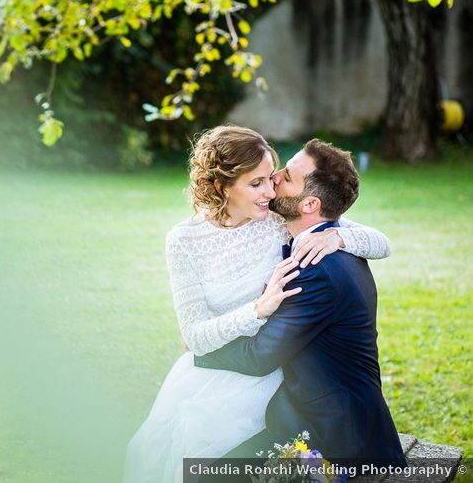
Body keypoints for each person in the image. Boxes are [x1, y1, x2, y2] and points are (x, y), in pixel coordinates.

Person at [124, 126, 392, 483]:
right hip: (216, 369)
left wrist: (338, 236)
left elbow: (379, 241)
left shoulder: (277, 218)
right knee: (181, 453)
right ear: (222, 186)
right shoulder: (183, 242)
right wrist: (256, 310)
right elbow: (193, 336)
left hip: (274, 370)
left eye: (271, 178)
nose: (270, 191)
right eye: (256, 183)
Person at [192, 139, 406, 476]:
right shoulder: (322, 239)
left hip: (339, 438)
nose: (274, 177)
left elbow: (260, 356)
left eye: (287, 177)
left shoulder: (316, 269)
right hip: (313, 407)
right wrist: (339, 236)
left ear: (309, 204)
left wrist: (197, 351)